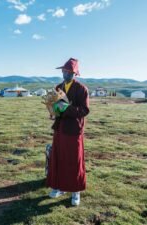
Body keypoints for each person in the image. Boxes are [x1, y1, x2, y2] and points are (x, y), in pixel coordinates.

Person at [46, 58, 90, 206]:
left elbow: (84, 110)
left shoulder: (82, 89)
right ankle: (58, 187)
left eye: (68, 71)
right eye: (64, 71)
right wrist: (53, 111)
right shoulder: (58, 87)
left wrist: (67, 107)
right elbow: (54, 106)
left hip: (74, 130)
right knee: (58, 157)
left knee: (74, 160)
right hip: (60, 128)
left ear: (75, 73)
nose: (65, 73)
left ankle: (75, 191)